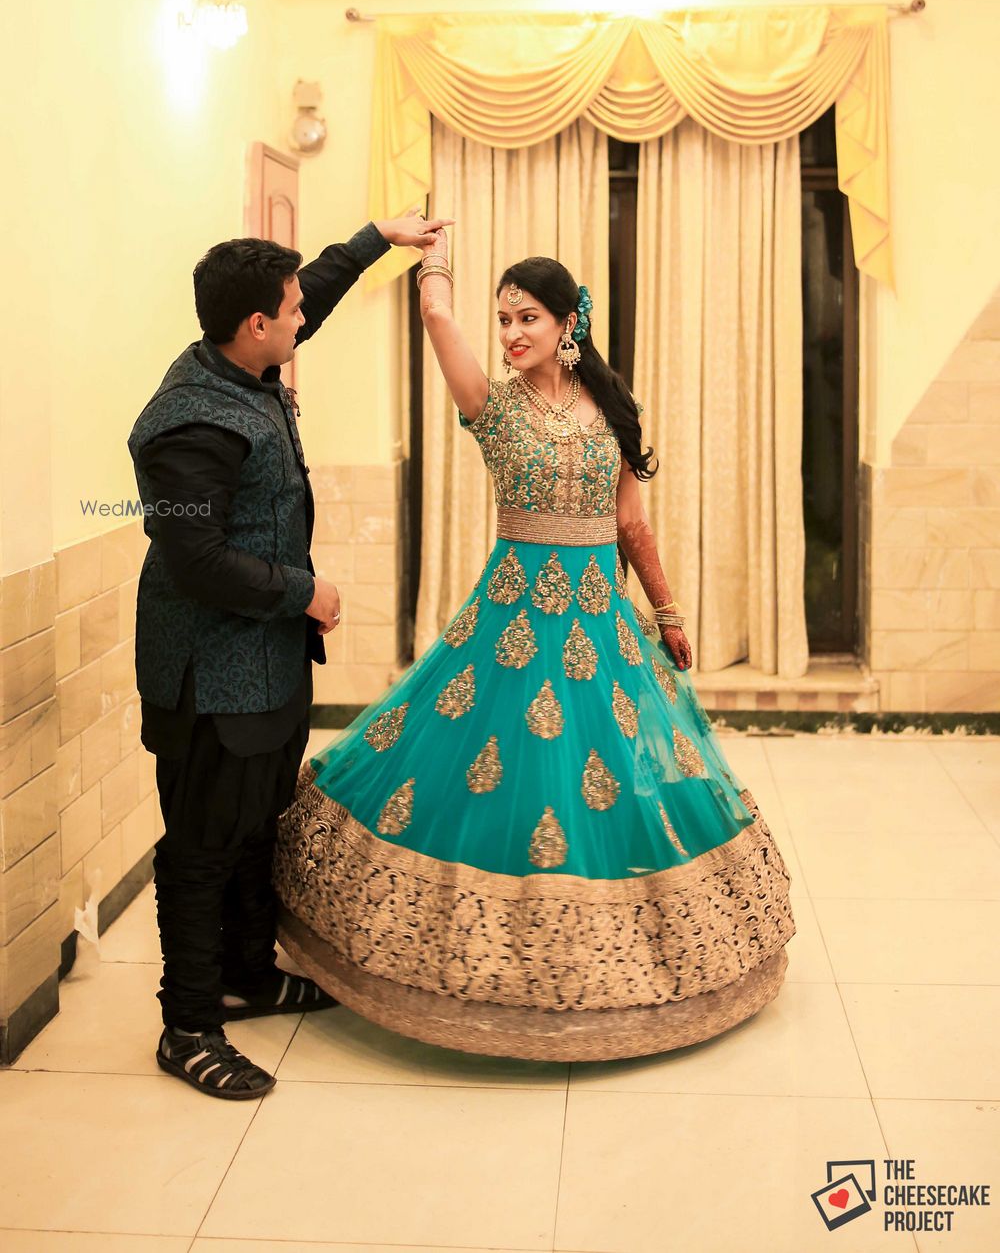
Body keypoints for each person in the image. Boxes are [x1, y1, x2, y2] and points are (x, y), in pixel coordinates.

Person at [274, 234, 796, 1061]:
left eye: (528, 318)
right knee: (495, 771)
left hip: (602, 630)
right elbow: (437, 313)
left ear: (567, 324)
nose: (513, 333)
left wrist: (668, 612)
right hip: (509, 628)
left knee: (614, 777)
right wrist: (426, 251)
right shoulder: (492, 405)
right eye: (504, 318)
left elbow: (631, 523)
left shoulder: (614, 412)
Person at [128, 211, 452, 1100]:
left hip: (264, 664)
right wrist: (300, 592)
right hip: (209, 673)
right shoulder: (189, 423)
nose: (303, 318)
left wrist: (376, 239)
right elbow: (192, 556)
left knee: (255, 827)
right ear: (256, 326)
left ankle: (247, 973)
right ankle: (188, 1023)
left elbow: (316, 293)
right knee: (201, 844)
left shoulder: (247, 360)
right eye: (291, 309)